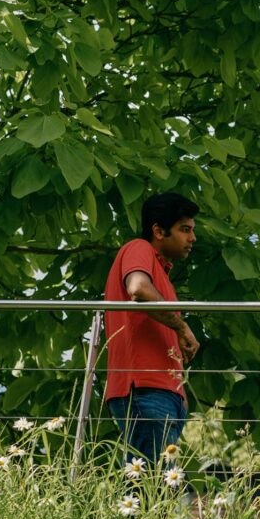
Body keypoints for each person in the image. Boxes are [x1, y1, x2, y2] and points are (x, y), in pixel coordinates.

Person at [104, 193, 200, 464]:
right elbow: (138, 288)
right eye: (185, 230)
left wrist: (179, 395)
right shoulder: (139, 248)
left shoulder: (163, 276)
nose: (192, 238)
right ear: (158, 230)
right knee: (148, 489)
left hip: (162, 394)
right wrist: (182, 327)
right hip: (144, 389)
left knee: (153, 488)